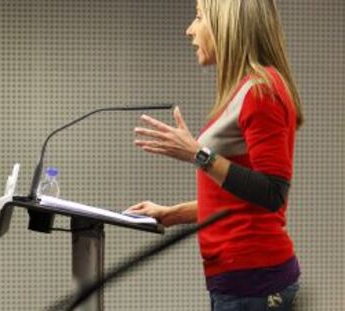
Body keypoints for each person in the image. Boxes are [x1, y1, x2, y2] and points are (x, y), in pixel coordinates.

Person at [125, 0, 303, 310]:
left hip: (256, 285)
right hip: (238, 283)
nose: (189, 30)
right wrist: (171, 214)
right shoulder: (246, 90)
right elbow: (237, 200)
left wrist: (199, 154)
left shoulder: (261, 90)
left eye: (198, 17)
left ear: (226, 25)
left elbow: (273, 192)